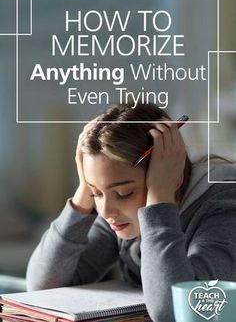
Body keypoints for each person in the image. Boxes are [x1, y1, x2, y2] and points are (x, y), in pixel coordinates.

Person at [26, 103, 236, 322]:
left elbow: (175, 312)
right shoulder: (119, 216)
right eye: (96, 193)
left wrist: (159, 200)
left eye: (124, 192)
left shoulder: (223, 211)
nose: (105, 212)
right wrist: (83, 193)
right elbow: (43, 285)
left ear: (172, 177)